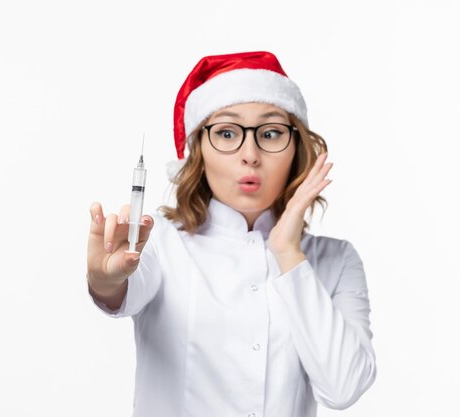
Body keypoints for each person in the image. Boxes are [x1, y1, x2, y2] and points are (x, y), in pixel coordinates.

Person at [86, 51, 376, 417]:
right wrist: (104, 279)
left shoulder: (335, 260)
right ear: (198, 150)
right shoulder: (160, 240)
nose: (250, 154)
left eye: (271, 133)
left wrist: (288, 253)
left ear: (297, 148)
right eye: (226, 132)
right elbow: (120, 291)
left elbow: (344, 388)